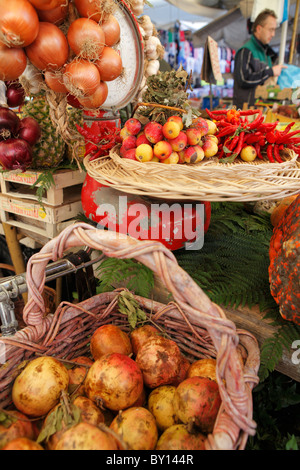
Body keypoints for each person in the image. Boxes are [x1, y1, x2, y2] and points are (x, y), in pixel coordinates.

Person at [233, 9, 287, 109]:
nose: (273, 34)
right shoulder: (246, 51)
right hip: (245, 113)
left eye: (274, 30)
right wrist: (270, 72)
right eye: (271, 29)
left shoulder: (266, 54)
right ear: (259, 29)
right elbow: (244, 80)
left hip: (260, 110)